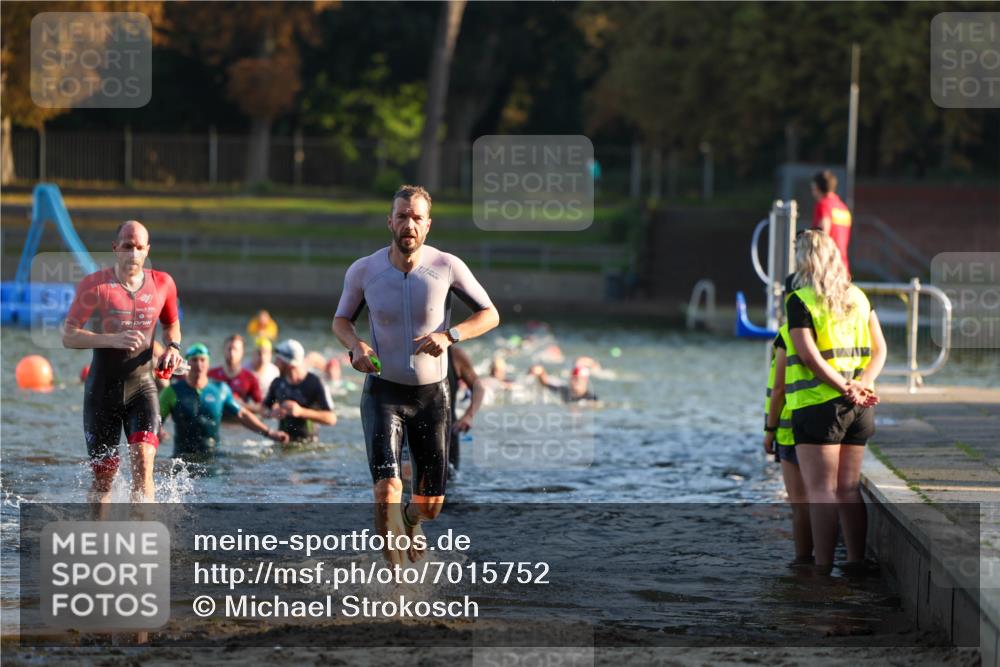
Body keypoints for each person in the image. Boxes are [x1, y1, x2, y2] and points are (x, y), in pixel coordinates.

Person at [332, 184, 499, 566]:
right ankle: (399, 589)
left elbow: (490, 314)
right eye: (402, 216)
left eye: (417, 218)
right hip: (383, 393)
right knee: (386, 489)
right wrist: (356, 346)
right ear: (390, 221)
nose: (409, 224)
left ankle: (412, 520)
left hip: (432, 398)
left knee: (431, 506)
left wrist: (450, 334)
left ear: (428, 225)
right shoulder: (364, 270)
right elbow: (341, 321)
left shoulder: (447, 266)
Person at [62, 220, 183, 510]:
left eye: (140, 247)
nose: (133, 253)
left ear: (147, 250)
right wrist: (112, 339)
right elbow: (69, 336)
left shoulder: (162, 283)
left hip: (142, 387)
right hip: (102, 392)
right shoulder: (95, 285)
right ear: (115, 248)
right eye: (127, 246)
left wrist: (173, 348)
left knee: (143, 461)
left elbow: (172, 325)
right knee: (105, 477)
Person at [785, 230, 886, 575]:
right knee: (847, 488)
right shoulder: (858, 296)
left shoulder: (800, 300)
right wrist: (862, 385)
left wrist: (845, 387)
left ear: (804, 260)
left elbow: (810, 358)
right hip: (859, 408)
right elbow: (880, 349)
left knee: (820, 490)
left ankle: (821, 570)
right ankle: (856, 562)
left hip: (818, 407)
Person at [159, 344, 288, 461]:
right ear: (187, 363)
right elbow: (156, 418)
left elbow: (242, 415)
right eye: (194, 360)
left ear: (208, 363)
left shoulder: (220, 389)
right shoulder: (172, 392)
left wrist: (269, 433)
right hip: (182, 458)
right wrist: (158, 430)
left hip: (213, 456)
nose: (199, 365)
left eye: (202, 360)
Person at [763, 324, 813, 568]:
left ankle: (804, 561)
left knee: (800, 503)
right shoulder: (840, 326)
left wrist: (769, 429)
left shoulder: (788, 333)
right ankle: (831, 561)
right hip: (834, 418)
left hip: (790, 426)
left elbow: (779, 388)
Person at [263, 339, 337, 442]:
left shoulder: (315, 382)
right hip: (283, 442)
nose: (275, 363)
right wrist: (273, 412)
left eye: (278, 359)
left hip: (309, 445)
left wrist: (301, 412)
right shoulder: (277, 382)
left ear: (289, 363)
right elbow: (263, 409)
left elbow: (331, 419)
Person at [446, 345, 486, 476]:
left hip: (446, 431)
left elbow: (478, 387)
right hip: (404, 429)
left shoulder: (453, 354)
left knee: (447, 485)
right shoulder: (395, 349)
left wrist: (468, 416)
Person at [811, 170, 852, 273]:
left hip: (827, 268)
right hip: (842, 267)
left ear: (817, 187)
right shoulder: (843, 208)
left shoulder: (823, 205)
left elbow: (823, 232)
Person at [208, 334, 262, 412]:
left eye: (235, 349)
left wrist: (241, 405)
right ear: (223, 350)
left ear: (242, 352)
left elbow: (261, 408)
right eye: (229, 349)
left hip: (238, 421)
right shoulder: (211, 375)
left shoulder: (250, 378)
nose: (232, 353)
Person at [529, 360, 598, 402]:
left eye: (579, 379)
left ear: (585, 381)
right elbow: (545, 383)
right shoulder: (565, 390)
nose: (576, 382)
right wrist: (541, 372)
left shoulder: (590, 398)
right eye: (573, 378)